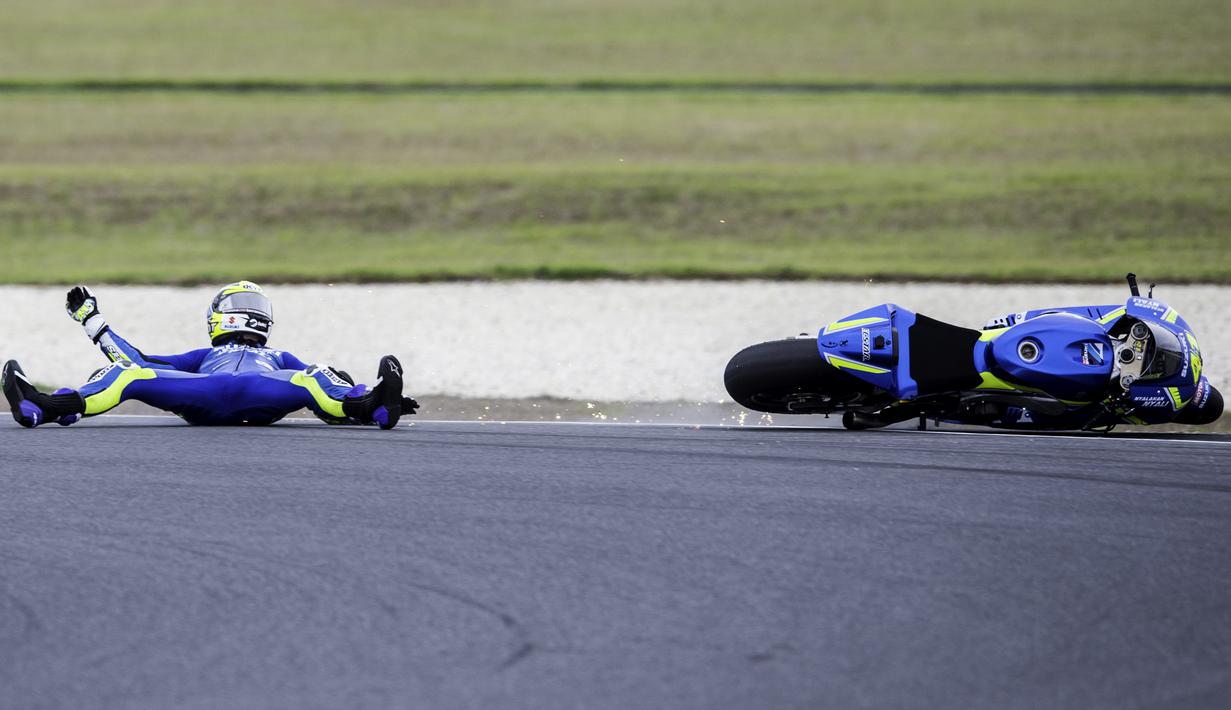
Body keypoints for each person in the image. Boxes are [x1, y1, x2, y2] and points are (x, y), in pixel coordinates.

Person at [3, 281, 419, 429]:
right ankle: (45, 405)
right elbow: (140, 361)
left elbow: (323, 401)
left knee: (320, 372)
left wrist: (365, 395)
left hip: (208, 394)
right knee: (317, 373)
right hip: (247, 391)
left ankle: (373, 405)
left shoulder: (275, 357)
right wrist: (92, 322)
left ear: (218, 316)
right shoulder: (219, 356)